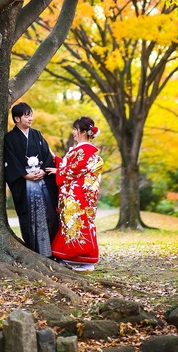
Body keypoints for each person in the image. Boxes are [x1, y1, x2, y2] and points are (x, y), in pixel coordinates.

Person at [46, 116, 105, 272]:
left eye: (75, 129)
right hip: (80, 195)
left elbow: (74, 170)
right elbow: (71, 167)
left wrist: (59, 171)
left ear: (83, 132)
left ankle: (84, 260)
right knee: (75, 224)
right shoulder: (84, 150)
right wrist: (56, 159)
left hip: (77, 196)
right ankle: (72, 258)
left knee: (77, 224)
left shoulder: (84, 150)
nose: (73, 132)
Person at [3, 102, 59, 256]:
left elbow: (48, 156)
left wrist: (43, 171)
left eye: (31, 115)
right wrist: (24, 174)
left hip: (42, 181)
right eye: (27, 116)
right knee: (29, 217)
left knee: (49, 214)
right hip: (25, 182)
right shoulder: (10, 138)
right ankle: (35, 251)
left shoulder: (37, 135)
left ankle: (52, 251)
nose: (30, 118)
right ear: (17, 119)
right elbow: (10, 160)